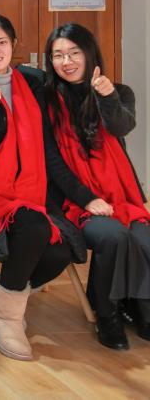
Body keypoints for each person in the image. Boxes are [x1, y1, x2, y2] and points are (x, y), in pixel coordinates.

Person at [0, 14, 100, 361]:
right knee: (34, 226)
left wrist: (85, 196)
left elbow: (54, 140)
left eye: (2, 42)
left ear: (13, 45)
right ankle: (6, 319)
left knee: (60, 250)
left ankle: (6, 291)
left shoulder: (33, 83)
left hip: (28, 186)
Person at [44, 23, 150, 350]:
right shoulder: (46, 100)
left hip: (122, 196)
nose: (67, 61)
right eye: (58, 55)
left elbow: (120, 126)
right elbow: (53, 163)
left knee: (144, 238)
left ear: (90, 53)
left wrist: (107, 96)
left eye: (74, 52)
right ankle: (107, 314)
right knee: (114, 236)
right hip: (72, 201)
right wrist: (87, 198)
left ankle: (140, 308)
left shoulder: (119, 91)